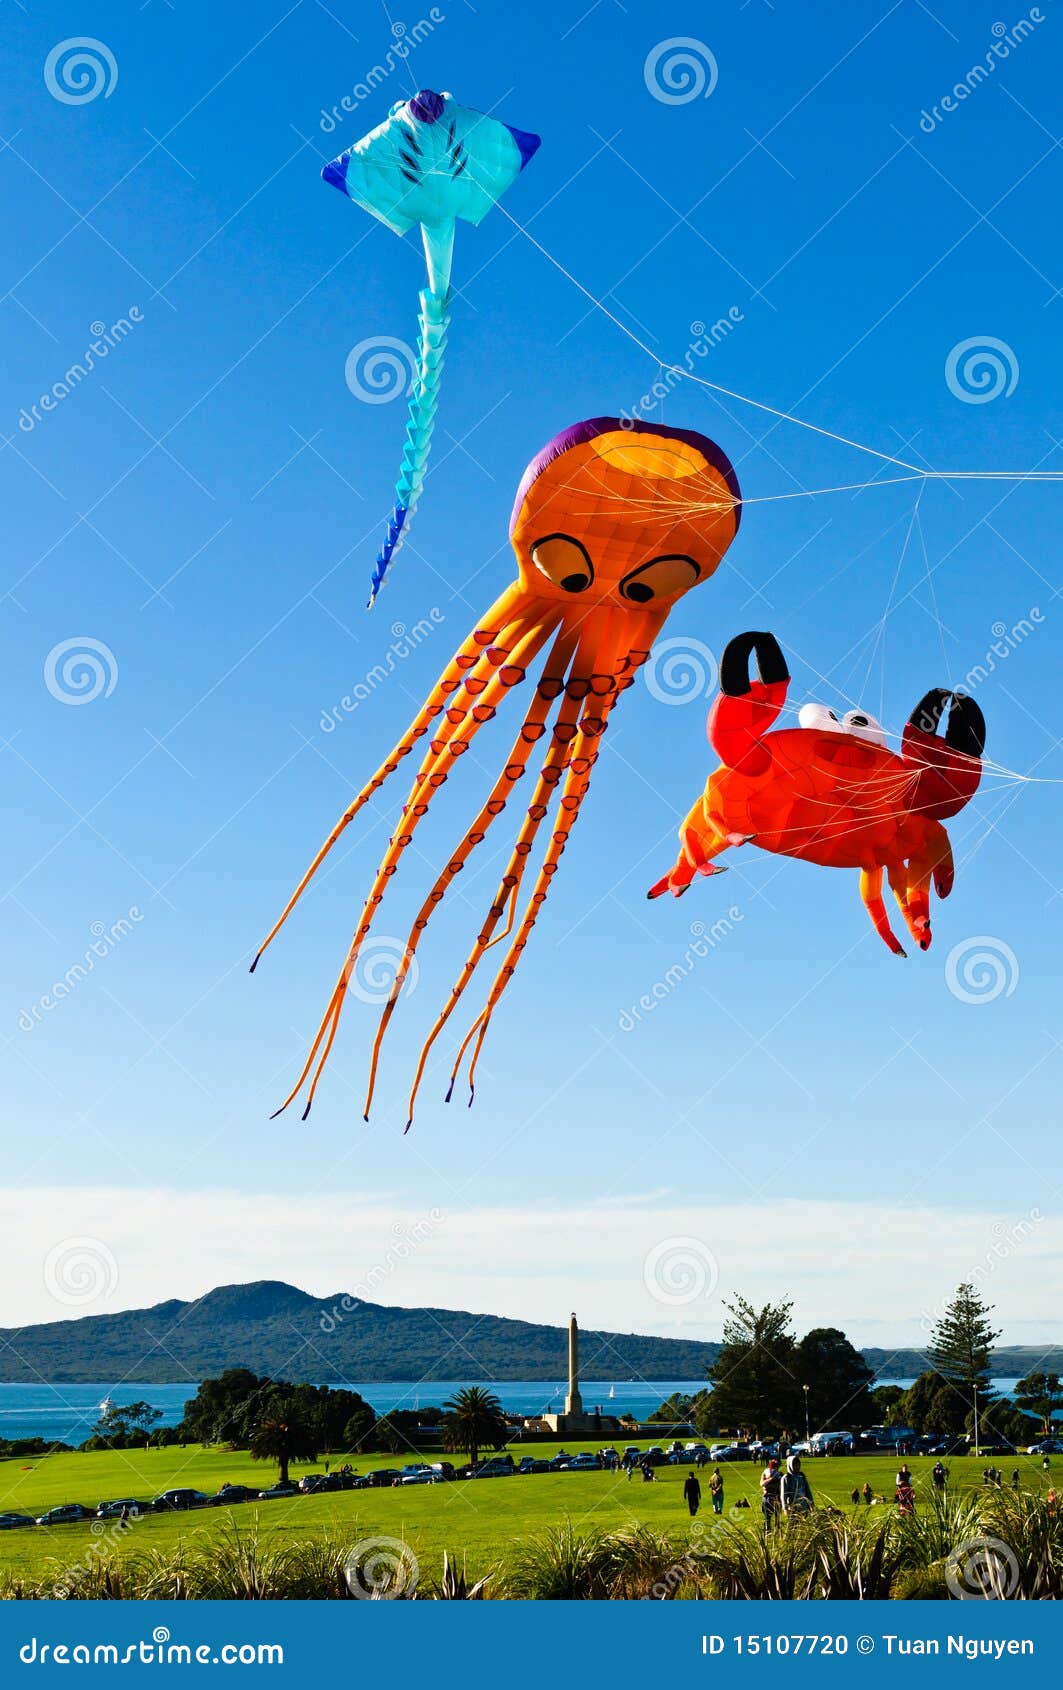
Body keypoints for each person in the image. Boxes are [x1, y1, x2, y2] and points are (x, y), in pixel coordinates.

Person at [760, 1457, 782, 1530]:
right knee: (767, 1517)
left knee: (777, 1517)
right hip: (767, 1498)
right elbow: (762, 1484)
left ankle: (778, 1531)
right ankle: (767, 1531)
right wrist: (771, 1479)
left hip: (777, 1498)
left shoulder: (780, 1475)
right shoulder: (765, 1473)